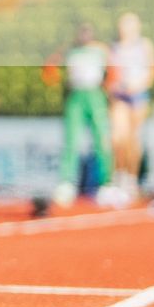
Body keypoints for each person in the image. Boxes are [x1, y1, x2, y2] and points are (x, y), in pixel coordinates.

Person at [50, 23, 114, 204]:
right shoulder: (71, 51)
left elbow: (113, 71)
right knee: (71, 140)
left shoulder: (100, 50)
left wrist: (108, 91)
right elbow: (50, 67)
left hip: (95, 94)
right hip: (76, 95)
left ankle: (106, 183)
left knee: (101, 139)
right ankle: (67, 183)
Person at [108, 12, 154, 195]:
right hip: (119, 96)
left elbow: (152, 72)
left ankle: (131, 178)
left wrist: (137, 86)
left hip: (138, 95)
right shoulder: (113, 47)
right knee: (117, 137)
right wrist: (112, 86)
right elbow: (109, 73)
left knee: (132, 138)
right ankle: (118, 175)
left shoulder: (144, 45)